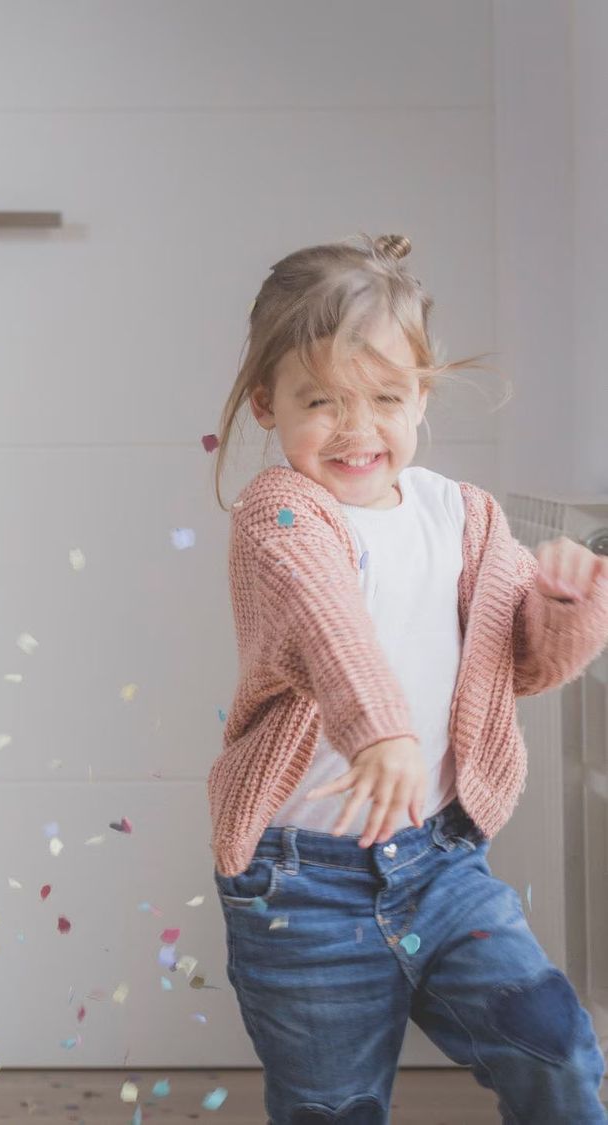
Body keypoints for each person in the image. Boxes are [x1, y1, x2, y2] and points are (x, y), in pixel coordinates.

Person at [207, 235, 608, 1122]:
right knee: (333, 1104)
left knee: (556, 1044)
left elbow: (523, 666)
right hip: (301, 881)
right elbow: (329, 627)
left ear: (422, 395)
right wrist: (381, 732)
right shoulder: (279, 515)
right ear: (268, 403)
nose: (358, 429)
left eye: (386, 397)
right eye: (323, 401)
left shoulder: (462, 516)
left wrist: (569, 601)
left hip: (442, 858)